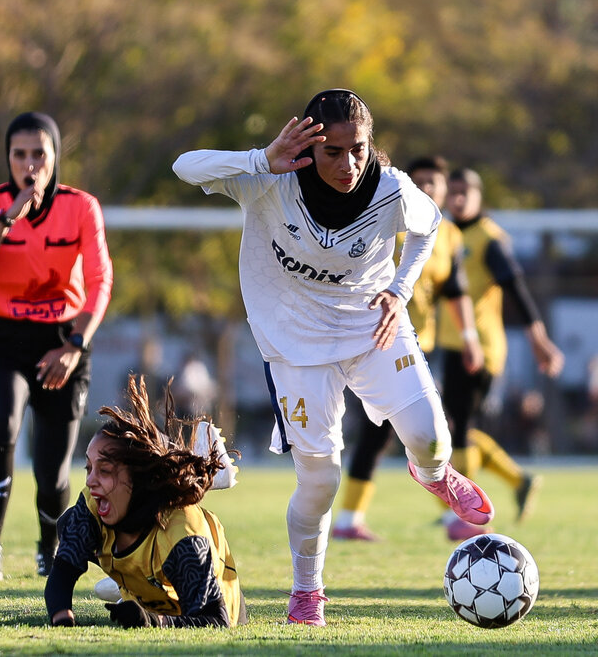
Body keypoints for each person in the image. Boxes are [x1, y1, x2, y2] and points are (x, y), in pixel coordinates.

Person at [172, 89, 495, 626]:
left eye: (359, 150)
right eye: (333, 152)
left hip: (372, 326)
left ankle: (435, 473)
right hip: (294, 344)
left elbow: (429, 225)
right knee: (321, 480)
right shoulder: (270, 178)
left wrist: (400, 289)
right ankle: (307, 592)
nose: (348, 164)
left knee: (433, 438)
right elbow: (184, 166)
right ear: (309, 146)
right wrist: (261, 158)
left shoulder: (391, 189)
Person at [0, 112, 114, 580]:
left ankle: (51, 547)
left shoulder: (81, 207)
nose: (29, 164)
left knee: (53, 472)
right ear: (8, 159)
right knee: (1, 424)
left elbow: (101, 281)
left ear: (54, 158)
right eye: (19, 155)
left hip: (62, 340)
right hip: (2, 335)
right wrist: (6, 220)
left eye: (38, 154)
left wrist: (75, 347)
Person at [332, 156, 484, 541]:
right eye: (420, 182)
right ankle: (352, 517)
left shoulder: (447, 234)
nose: (428, 189)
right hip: (372, 340)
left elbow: (455, 291)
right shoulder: (389, 217)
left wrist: (469, 338)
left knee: (418, 430)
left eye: (435, 182)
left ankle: (356, 517)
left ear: (445, 188)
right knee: (384, 431)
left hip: (420, 342)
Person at [45, 375, 247, 628]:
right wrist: (61, 616)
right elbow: (63, 571)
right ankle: (130, 583)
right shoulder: (94, 505)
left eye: (105, 471)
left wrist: (154, 621)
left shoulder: (183, 538)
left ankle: (190, 472)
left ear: (137, 478)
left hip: (212, 598)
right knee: (70, 522)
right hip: (152, 578)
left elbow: (216, 621)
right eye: (89, 468)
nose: (91, 482)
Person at [436, 167, 564, 538]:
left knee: (457, 431)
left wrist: (538, 338)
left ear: (479, 197)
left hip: (479, 348)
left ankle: (467, 515)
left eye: (465, 193)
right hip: (449, 343)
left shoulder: (489, 239)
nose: (457, 199)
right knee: (458, 429)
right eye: (453, 192)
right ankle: (516, 481)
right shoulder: (443, 233)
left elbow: (516, 290)